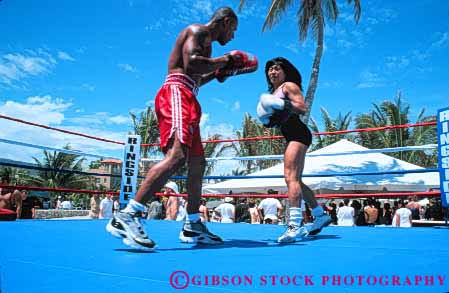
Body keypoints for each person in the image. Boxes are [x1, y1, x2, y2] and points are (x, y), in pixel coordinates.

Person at [106, 7, 257, 250]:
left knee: (197, 163)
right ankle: (127, 214)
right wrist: (226, 60)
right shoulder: (197, 31)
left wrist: (220, 73)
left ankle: (193, 223)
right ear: (226, 22)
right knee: (176, 157)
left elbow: (197, 75)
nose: (233, 36)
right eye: (234, 29)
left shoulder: (206, 44)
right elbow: (192, 63)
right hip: (176, 93)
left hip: (189, 94)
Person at [256, 57, 331, 242]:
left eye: (276, 69)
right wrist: (271, 120)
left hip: (298, 134)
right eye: (270, 70)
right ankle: (320, 215)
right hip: (291, 135)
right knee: (296, 179)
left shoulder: (288, 85)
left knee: (290, 178)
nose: (272, 72)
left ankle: (294, 225)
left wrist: (282, 105)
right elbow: (281, 117)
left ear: (285, 71)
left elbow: (301, 108)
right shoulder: (273, 92)